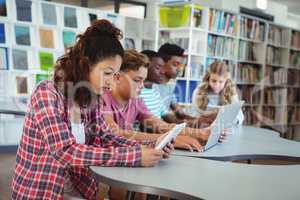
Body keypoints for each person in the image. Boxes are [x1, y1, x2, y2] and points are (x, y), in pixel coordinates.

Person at [11, 20, 173, 200]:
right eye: (107, 73)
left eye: (115, 75)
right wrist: (135, 155)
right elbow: (66, 151)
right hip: (43, 192)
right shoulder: (47, 93)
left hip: (79, 189)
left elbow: (106, 136)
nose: (111, 82)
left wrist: (149, 147)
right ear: (85, 65)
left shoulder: (91, 97)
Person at [140, 48, 216, 128]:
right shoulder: (144, 91)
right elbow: (154, 124)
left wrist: (198, 120)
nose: (180, 69)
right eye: (175, 64)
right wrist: (190, 124)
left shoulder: (159, 90)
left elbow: (177, 114)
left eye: (181, 65)